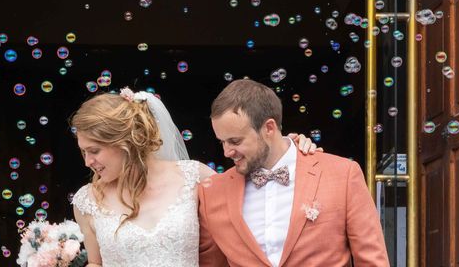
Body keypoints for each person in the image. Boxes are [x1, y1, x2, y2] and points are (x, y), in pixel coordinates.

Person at [70, 87, 318, 267]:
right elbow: (96, 263)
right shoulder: (87, 201)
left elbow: (259, 185)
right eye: (83, 152)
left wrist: (288, 149)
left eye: (94, 151)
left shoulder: (192, 176)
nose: (87, 162)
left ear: (125, 142)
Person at [198, 79, 390, 267]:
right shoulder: (211, 194)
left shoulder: (343, 175)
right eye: (222, 142)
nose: (226, 152)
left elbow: (373, 261)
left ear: (269, 128)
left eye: (235, 141)